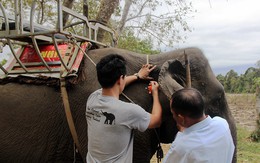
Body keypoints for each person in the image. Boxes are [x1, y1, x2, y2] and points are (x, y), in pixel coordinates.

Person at [86, 54, 162, 163]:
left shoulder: (92, 98)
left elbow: (116, 85)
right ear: (120, 79)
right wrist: (155, 93)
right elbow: (156, 120)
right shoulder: (128, 111)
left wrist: (137, 76)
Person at [163, 88, 235, 163]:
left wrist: (182, 135)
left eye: (173, 113)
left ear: (181, 118)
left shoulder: (183, 146)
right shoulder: (222, 123)